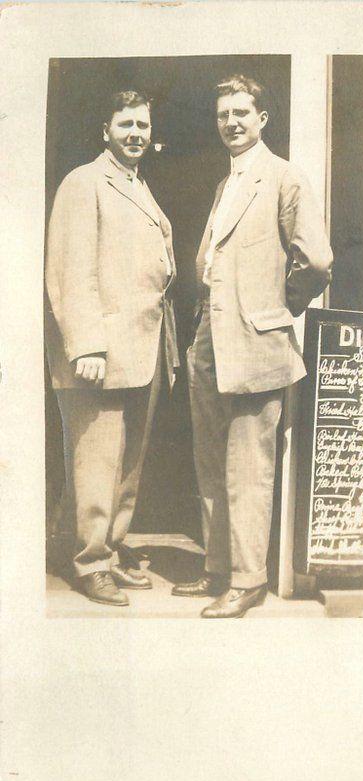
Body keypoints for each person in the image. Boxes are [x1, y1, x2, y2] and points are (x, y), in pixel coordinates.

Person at [172, 75, 333, 618]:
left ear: (262, 119)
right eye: (224, 114)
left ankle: (247, 580)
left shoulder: (285, 178)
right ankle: (218, 569)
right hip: (209, 340)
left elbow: (316, 260)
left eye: (242, 112)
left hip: (256, 342)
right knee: (210, 460)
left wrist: (279, 308)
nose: (232, 123)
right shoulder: (226, 183)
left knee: (248, 465)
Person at [45, 89, 178, 606]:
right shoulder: (84, 183)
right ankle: (90, 562)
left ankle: (110, 550)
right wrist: (87, 346)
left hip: (140, 348)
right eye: (125, 124)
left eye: (143, 125)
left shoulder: (137, 185)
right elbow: (70, 269)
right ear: (106, 131)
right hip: (99, 353)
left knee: (125, 464)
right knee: (96, 462)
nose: (136, 134)